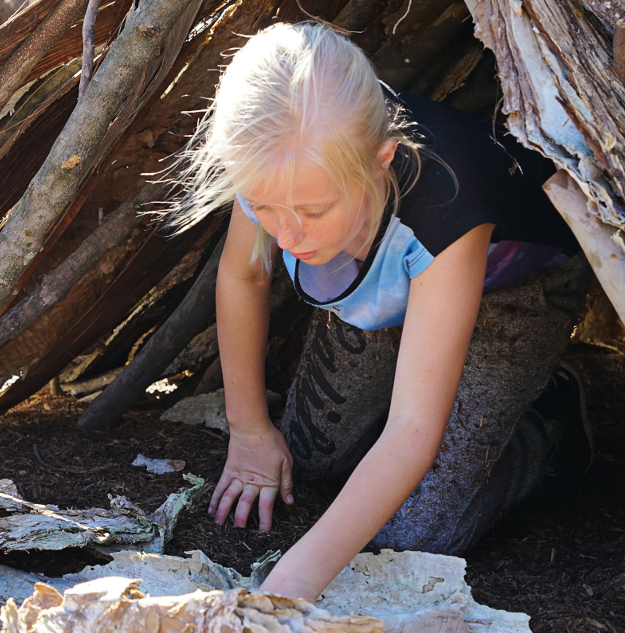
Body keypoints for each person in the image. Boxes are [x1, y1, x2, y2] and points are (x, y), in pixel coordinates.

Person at [166, 22, 589, 601]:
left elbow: (415, 427)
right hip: (373, 292)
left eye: (312, 211)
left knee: (419, 532)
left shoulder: (448, 204)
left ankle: (551, 419)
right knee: (304, 465)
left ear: (381, 159)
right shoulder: (278, 157)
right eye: (264, 207)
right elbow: (244, 273)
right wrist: (249, 430)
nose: (286, 234)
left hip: (510, 290)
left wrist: (288, 589)